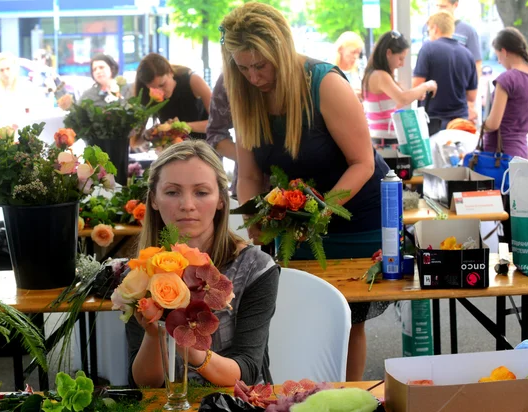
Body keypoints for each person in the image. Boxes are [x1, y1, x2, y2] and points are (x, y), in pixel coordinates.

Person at [220, 2, 390, 381]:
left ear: (281, 49)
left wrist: (320, 211)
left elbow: (362, 162)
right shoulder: (245, 95)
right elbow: (247, 176)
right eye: (243, 68)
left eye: (260, 66)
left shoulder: (324, 83)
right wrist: (254, 221)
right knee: (296, 310)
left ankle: (345, 395)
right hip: (295, 219)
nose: (253, 76)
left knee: (348, 318)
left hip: (356, 215)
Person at [126, 140, 280, 387]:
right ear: (153, 199)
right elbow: (144, 384)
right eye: (172, 192)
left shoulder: (255, 268)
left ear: (221, 199)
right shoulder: (142, 271)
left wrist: (187, 342)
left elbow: (248, 370)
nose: (187, 205)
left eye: (201, 192)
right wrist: (153, 333)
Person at [483, 28, 528, 245]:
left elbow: (494, 123)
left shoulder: (507, 79)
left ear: (504, 51)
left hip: (500, 158)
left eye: (498, 56)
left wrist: (482, 125)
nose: (499, 61)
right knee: (516, 217)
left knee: (499, 219)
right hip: (521, 155)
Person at [361, 31, 437, 145]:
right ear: (389, 53)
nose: (402, 64)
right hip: (385, 141)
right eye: (400, 58)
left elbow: (396, 102)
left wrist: (416, 94)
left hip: (382, 140)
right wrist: (426, 85)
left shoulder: (374, 74)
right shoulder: (380, 75)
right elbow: (402, 98)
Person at [413, 11, 477, 131]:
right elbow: (472, 96)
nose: (429, 35)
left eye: (429, 31)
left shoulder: (428, 49)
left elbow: (416, 85)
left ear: (435, 28)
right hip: (460, 122)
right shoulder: (468, 54)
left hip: (433, 121)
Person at [134, 53, 211, 140]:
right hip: (175, 150)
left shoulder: (193, 80)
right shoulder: (148, 95)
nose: (160, 92)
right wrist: (149, 135)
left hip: (205, 147)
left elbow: (219, 123)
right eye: (154, 89)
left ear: (170, 72)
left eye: (162, 84)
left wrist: (184, 126)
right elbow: (135, 141)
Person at [0, 52, 48, 131]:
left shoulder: (26, 87)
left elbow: (40, 111)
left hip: (21, 138)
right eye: (1, 70)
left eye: (8, 69)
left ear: (15, 68)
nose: (5, 73)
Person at [334, 31, 365, 99]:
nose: (355, 56)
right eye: (353, 52)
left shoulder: (358, 71)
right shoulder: (331, 72)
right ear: (340, 49)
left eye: (358, 53)